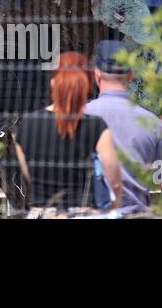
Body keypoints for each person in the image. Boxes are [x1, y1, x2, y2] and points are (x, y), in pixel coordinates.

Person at [13, 52, 121, 212]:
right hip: (83, 212)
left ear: (52, 82)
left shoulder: (27, 125)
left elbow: (29, 175)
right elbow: (115, 181)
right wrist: (112, 206)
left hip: (42, 212)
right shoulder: (96, 126)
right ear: (87, 84)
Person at [84, 40, 162, 213]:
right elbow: (161, 180)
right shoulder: (153, 123)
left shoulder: (80, 117)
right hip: (137, 215)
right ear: (131, 75)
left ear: (97, 74)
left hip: (92, 214)